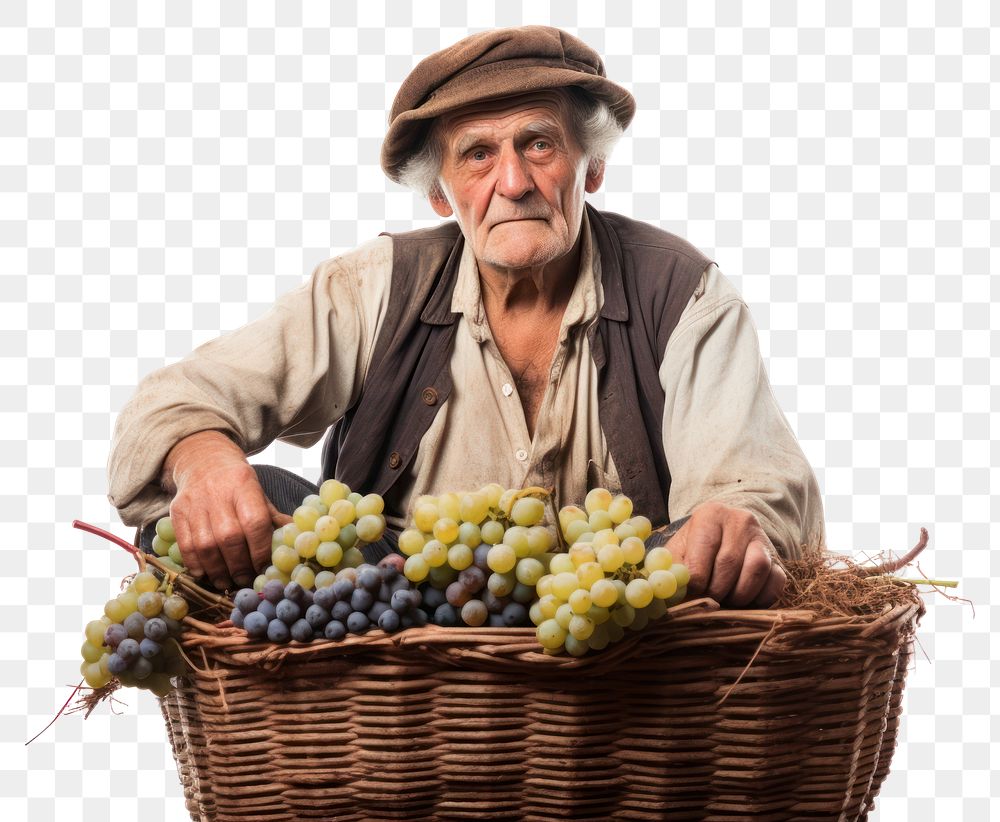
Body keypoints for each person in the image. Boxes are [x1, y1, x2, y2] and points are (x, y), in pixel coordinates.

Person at [108, 26, 825, 608]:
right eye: (477, 155)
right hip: (397, 622)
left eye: (539, 144)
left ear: (592, 167)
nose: (512, 183)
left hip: (615, 628)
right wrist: (205, 463)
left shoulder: (684, 293)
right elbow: (172, 402)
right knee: (245, 499)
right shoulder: (375, 287)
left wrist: (736, 526)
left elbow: (760, 491)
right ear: (442, 196)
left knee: (700, 550)